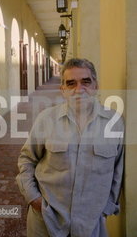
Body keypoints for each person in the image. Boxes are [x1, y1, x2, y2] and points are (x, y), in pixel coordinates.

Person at [16, 58, 124, 237]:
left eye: (86, 82)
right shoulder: (46, 119)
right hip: (46, 221)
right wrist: (33, 198)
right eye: (71, 83)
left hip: (91, 225)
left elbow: (117, 171)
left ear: (96, 86)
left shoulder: (114, 123)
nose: (79, 89)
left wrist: (105, 208)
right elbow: (26, 160)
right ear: (63, 90)